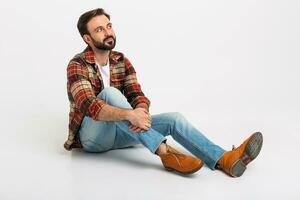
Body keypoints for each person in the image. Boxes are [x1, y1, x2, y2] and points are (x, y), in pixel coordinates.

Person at [64, 8, 263, 177]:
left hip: (121, 132)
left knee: (173, 119)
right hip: (93, 138)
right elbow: (89, 105)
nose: (108, 32)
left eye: (109, 26)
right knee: (109, 94)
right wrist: (129, 114)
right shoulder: (77, 64)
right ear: (87, 38)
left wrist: (140, 111)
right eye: (99, 29)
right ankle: (164, 152)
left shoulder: (121, 60)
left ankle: (224, 159)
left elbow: (136, 95)